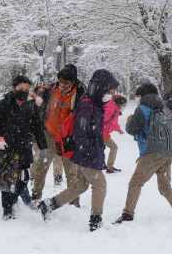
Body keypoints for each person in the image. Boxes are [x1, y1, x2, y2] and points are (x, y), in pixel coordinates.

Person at [38, 69, 118, 232]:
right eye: (110, 90)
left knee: (80, 186)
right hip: (86, 154)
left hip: (86, 153)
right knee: (99, 184)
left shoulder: (93, 103)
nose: (111, 94)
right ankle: (95, 220)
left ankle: (49, 204)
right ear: (100, 88)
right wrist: (89, 154)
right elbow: (81, 133)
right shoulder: (89, 106)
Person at [114, 85, 172, 224]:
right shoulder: (163, 107)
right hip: (167, 152)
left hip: (151, 153)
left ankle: (127, 215)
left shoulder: (143, 108)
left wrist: (130, 119)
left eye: (138, 96)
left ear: (143, 95)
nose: (138, 99)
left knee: (135, 183)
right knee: (165, 187)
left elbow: (132, 129)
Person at [0, 75, 47, 220]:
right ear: (14, 88)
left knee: (24, 178)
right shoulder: (3, 104)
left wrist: (43, 145)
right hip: (7, 147)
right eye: (21, 88)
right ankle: (7, 210)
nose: (24, 91)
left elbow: (37, 126)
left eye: (27, 89)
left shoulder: (30, 105)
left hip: (24, 147)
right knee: (7, 180)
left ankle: (14, 199)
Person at [32, 64, 86, 202]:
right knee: (40, 167)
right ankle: (36, 196)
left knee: (71, 172)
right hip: (49, 134)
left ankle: (73, 201)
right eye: (60, 81)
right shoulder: (51, 89)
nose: (62, 85)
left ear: (73, 81)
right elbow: (39, 105)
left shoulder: (80, 95)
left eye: (66, 83)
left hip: (68, 138)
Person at [30, 83, 64, 186]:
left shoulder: (52, 101)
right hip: (38, 134)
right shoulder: (33, 103)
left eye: (43, 89)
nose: (41, 91)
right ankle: (33, 176)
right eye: (39, 89)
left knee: (57, 156)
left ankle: (58, 176)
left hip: (52, 133)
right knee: (37, 157)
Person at [103, 93, 124, 173]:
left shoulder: (113, 107)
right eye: (122, 104)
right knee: (114, 147)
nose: (123, 107)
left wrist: (118, 129)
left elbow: (113, 122)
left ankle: (107, 166)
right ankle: (109, 167)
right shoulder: (111, 108)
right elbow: (104, 120)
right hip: (102, 133)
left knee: (107, 148)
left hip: (103, 132)